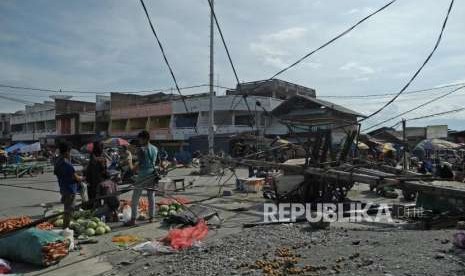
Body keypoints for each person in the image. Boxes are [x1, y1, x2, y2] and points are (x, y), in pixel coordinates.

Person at [125, 130, 158, 226]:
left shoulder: (141, 150)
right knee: (151, 196)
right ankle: (151, 218)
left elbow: (135, 168)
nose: (139, 141)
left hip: (142, 176)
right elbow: (153, 162)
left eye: (140, 139)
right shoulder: (155, 148)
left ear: (145, 139)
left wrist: (130, 160)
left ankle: (133, 219)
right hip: (152, 174)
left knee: (135, 198)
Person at [54, 141, 81, 229]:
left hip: (63, 188)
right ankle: (66, 228)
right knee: (69, 210)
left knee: (67, 209)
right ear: (67, 152)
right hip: (70, 190)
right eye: (69, 151)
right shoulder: (66, 163)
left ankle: (67, 226)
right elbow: (75, 177)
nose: (70, 154)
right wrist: (82, 178)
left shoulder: (58, 161)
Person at [85, 141, 107, 209]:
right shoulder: (100, 156)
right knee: (98, 194)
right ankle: (96, 208)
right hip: (97, 178)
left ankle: (94, 207)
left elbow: (90, 167)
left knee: (94, 194)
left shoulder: (93, 155)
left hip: (93, 179)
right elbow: (103, 169)